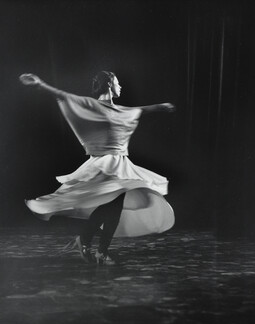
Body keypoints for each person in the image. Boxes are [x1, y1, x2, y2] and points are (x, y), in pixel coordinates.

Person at [19, 71, 175, 265]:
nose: (121, 86)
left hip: (120, 164)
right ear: (109, 83)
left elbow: (141, 110)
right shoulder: (91, 105)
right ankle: (92, 245)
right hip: (103, 164)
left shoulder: (120, 110)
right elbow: (63, 96)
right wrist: (40, 84)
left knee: (113, 207)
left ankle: (93, 246)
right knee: (112, 206)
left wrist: (160, 107)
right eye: (118, 82)